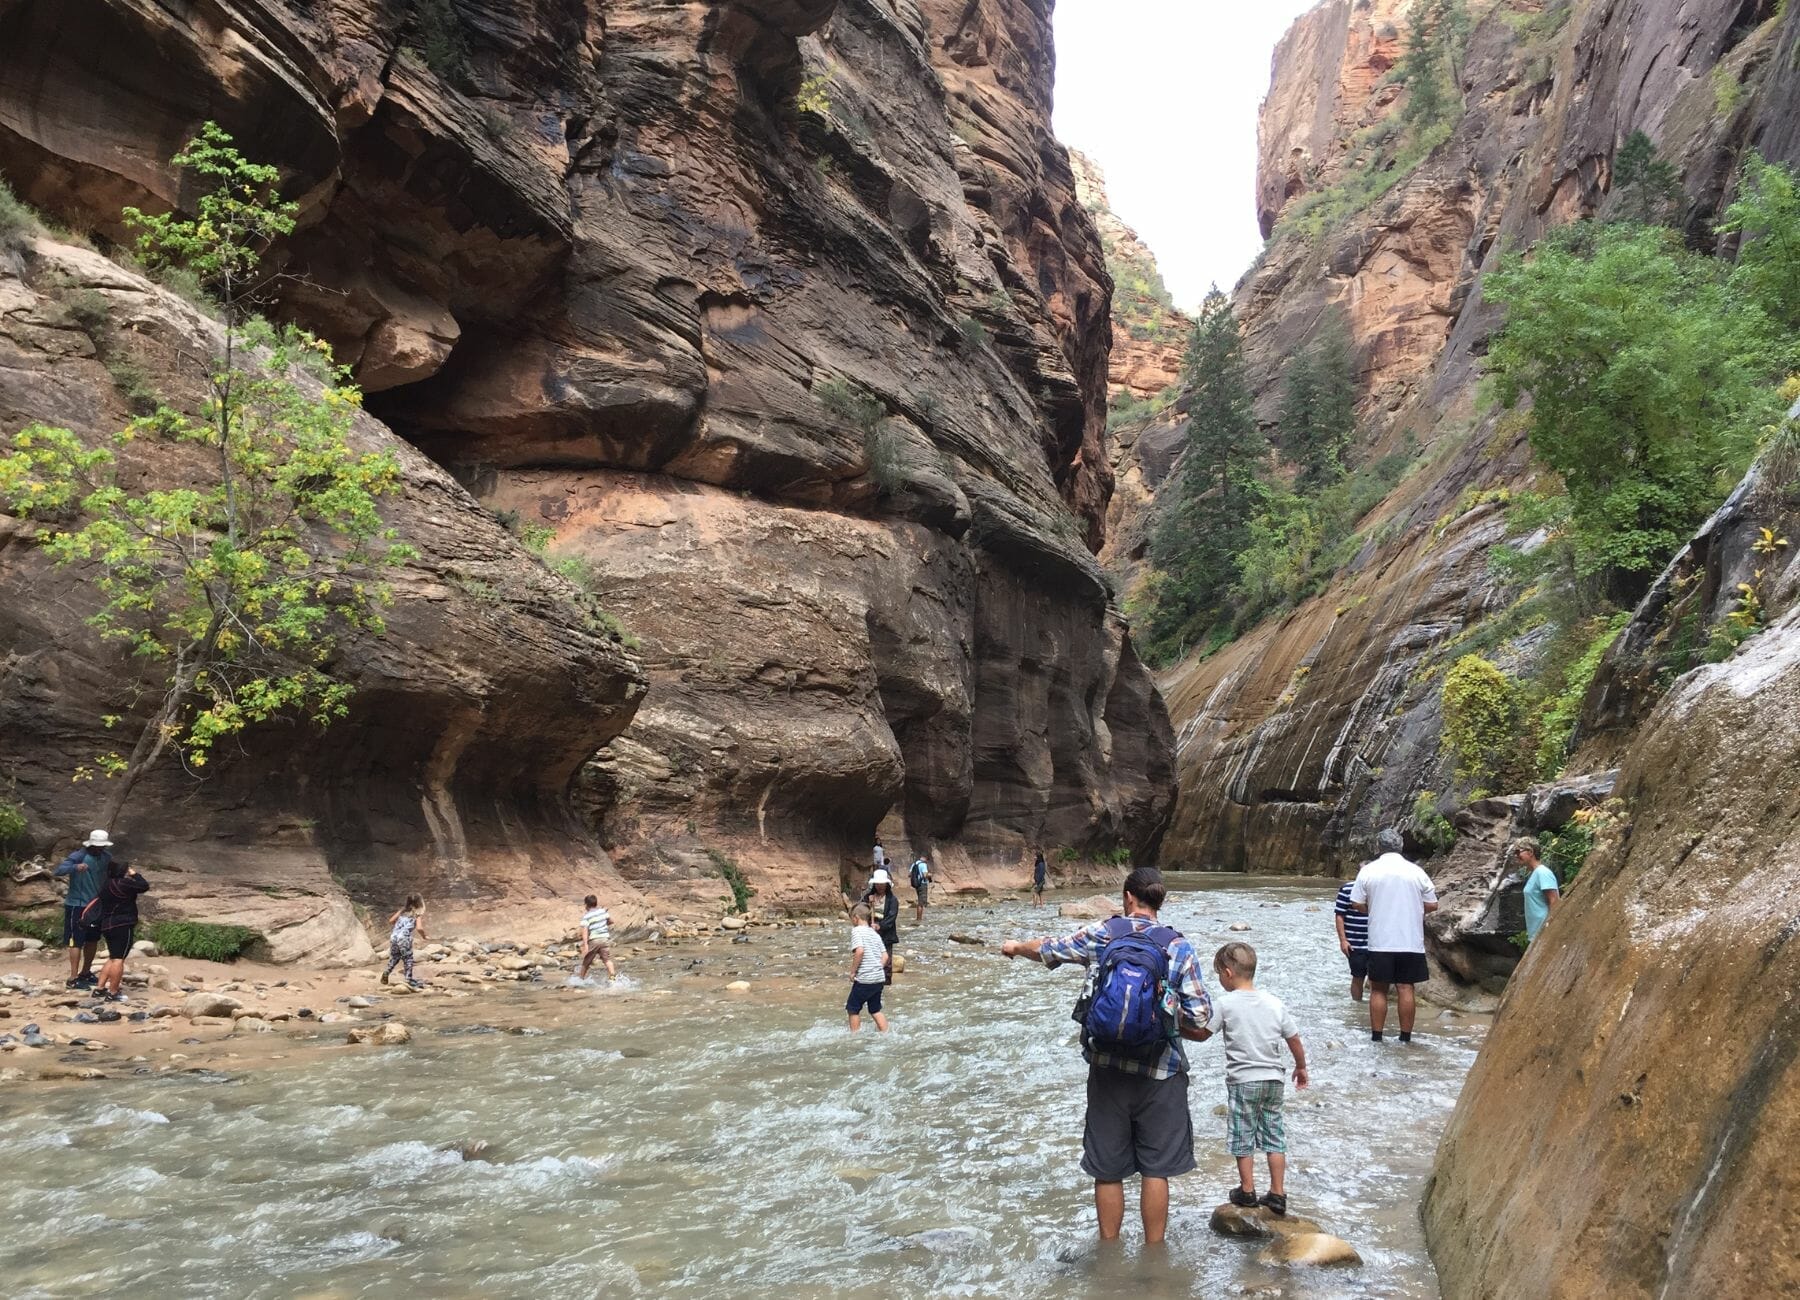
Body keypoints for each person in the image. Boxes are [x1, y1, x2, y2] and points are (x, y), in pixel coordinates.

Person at [1000, 866, 1212, 1246]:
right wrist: (1163, 1015)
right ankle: (1153, 1255)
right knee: (1155, 1171)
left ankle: (1109, 1251)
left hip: (1107, 1070)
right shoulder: (1177, 946)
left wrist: (1016, 947)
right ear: (1158, 901)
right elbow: (1199, 1017)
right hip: (1160, 1073)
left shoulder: (1103, 933)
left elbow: (1050, 949)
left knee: (1108, 1170)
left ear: (1128, 897)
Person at [1193, 941, 1308, 1216]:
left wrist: (1177, 1028)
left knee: (1242, 1133)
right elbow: (1293, 1038)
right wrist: (1301, 1067)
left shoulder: (1225, 1004)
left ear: (1228, 973)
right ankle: (1278, 1194)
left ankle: (1247, 1190)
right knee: (1274, 1135)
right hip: (1273, 1080)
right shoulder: (1273, 1003)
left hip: (1244, 1081)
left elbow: (1203, 1034)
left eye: (1219, 974)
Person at [1349, 829, 1438, 1043]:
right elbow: (1433, 904)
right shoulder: (1416, 871)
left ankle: (1377, 1037)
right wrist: (1413, 908)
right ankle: (1405, 1037)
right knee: (1406, 987)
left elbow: (1356, 903)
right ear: (1401, 846)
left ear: (1379, 848)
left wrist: (1376, 909)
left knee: (1378, 988)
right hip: (1410, 940)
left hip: (1381, 940)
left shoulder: (1369, 871)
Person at [82, 859, 148, 1003]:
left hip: (107, 924)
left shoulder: (106, 885)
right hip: (123, 924)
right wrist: (135, 874)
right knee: (119, 959)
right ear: (123, 871)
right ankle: (113, 992)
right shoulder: (124, 883)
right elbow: (144, 886)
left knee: (113, 957)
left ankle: (99, 989)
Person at [53, 829, 112, 988]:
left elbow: (111, 874)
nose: (100, 849)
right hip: (76, 905)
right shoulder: (78, 856)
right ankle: (73, 978)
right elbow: (58, 871)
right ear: (91, 844)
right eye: (98, 846)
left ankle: (85, 972)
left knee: (92, 939)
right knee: (76, 941)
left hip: (95, 906)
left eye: (102, 847)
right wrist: (75, 868)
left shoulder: (106, 857)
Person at [846, 903, 890, 1032]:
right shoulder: (874, 933)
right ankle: (885, 1033)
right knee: (875, 1009)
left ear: (856, 917)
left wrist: (853, 972)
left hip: (865, 978)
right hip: (878, 977)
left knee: (852, 1008)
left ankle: (855, 1036)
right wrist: (877, 968)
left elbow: (859, 951)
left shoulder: (856, 931)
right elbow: (885, 956)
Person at [1513, 837, 1560, 942]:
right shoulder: (1534, 874)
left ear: (1530, 852)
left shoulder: (1543, 873)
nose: (1516, 856)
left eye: (1518, 852)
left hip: (1544, 933)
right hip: (1537, 933)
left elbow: (1554, 900)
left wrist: (1550, 929)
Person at [1333, 878, 1370, 1002]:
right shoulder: (1348, 889)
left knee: (1378, 979)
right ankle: (1357, 1006)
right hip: (1355, 942)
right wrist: (1343, 940)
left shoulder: (1380, 888)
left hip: (1379, 943)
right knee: (1358, 977)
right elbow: (1339, 915)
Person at [860, 868, 900, 983]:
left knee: (886, 961)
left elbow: (891, 918)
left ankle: (886, 982)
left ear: (887, 885)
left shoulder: (892, 900)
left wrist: (880, 926)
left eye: (882, 884)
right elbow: (860, 911)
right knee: (871, 959)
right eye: (877, 884)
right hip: (869, 933)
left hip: (886, 934)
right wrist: (867, 903)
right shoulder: (868, 897)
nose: (880, 886)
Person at [381, 895, 427, 988]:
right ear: (420, 903)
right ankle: (408, 979)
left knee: (394, 957)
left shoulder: (402, 911)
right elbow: (419, 928)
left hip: (394, 936)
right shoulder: (417, 914)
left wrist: (399, 925)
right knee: (408, 958)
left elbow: (391, 921)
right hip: (404, 938)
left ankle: (386, 972)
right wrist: (424, 936)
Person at [578, 894, 618, 981]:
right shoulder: (603, 912)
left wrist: (585, 945)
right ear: (596, 903)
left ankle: (580, 979)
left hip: (594, 940)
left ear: (586, 905)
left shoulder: (586, 917)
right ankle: (612, 978)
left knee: (586, 962)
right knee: (607, 960)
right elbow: (611, 921)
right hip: (605, 939)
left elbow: (585, 932)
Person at [909, 855, 931, 923]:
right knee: (921, 903)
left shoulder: (914, 864)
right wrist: (930, 875)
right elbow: (925, 875)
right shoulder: (923, 865)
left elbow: (909, 874)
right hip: (922, 884)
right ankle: (919, 919)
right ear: (925, 858)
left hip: (916, 884)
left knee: (920, 900)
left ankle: (919, 918)